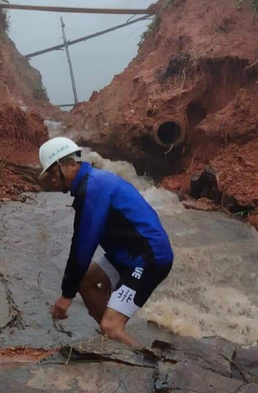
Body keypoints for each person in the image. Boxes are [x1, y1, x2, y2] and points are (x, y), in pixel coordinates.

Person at [38, 137, 173, 348]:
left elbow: (82, 246)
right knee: (84, 280)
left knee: (111, 327)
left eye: (54, 173)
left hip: (148, 258)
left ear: (72, 165)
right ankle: (115, 338)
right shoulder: (94, 181)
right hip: (128, 253)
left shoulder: (93, 189)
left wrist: (66, 295)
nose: (53, 180)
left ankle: (150, 366)